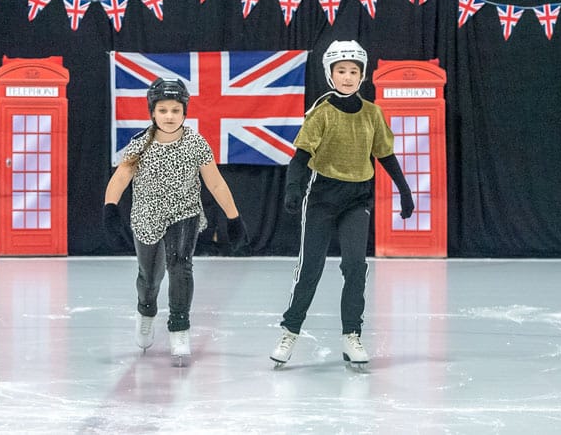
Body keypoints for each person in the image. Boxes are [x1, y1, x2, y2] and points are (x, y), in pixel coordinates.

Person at [270, 40, 414, 368]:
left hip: (357, 198)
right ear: (330, 74)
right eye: (341, 71)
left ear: (362, 76)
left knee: (355, 266)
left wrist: (404, 190)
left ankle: (352, 335)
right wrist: (293, 189)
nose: (347, 77)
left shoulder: (372, 113)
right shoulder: (321, 113)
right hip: (322, 197)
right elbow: (301, 156)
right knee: (311, 267)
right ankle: (290, 331)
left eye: (354, 71)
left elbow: (385, 154)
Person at [103, 77, 248, 365]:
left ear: (184, 112)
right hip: (146, 215)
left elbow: (216, 183)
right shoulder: (139, 145)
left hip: (185, 213)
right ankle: (146, 309)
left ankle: (179, 327)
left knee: (181, 265)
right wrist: (110, 208)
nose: (169, 116)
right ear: (152, 113)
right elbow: (120, 178)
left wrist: (234, 218)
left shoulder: (196, 144)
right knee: (150, 276)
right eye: (163, 110)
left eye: (175, 110)